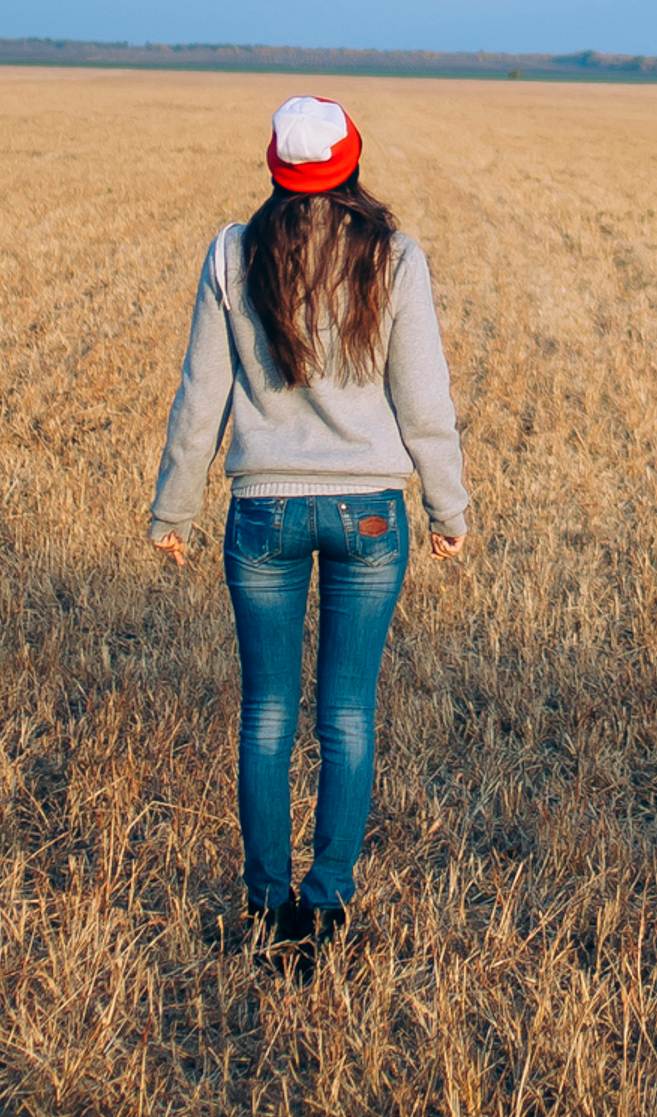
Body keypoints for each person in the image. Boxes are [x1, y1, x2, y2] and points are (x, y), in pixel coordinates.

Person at [149, 96, 470, 963]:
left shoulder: (232, 253)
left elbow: (200, 396)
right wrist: (447, 507)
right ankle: (325, 905)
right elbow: (425, 401)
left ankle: (265, 904)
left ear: (275, 168)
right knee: (348, 714)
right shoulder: (394, 256)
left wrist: (174, 506)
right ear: (351, 164)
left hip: (263, 510)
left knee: (266, 713)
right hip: (371, 513)